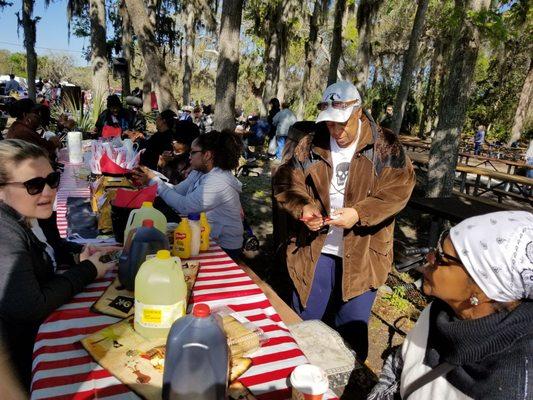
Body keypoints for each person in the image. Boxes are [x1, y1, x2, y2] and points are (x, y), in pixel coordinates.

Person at [273, 81, 415, 362]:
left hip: (364, 255)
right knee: (303, 323)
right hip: (315, 250)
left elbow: (399, 188)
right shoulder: (311, 143)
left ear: (359, 112)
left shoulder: (385, 146)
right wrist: (303, 208)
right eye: (330, 125)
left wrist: (359, 213)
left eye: (342, 124)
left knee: (350, 334)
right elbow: (287, 180)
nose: (336, 131)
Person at [368, 211, 533, 400]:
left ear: (482, 289)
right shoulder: (439, 311)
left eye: (442, 258)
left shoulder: (515, 383)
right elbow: (400, 363)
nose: (429, 258)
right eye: (436, 250)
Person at [0, 140, 117, 388]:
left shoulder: (37, 212)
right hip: (18, 356)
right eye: (33, 185)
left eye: (52, 180)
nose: (47, 191)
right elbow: (30, 307)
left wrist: (80, 253)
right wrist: (89, 270)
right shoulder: (4, 232)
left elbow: (54, 246)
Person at [133, 130, 244, 260]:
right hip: (205, 237)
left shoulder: (217, 181)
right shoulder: (200, 172)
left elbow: (184, 206)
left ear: (207, 155)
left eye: (193, 152)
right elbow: (176, 191)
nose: (189, 156)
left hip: (224, 248)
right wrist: (151, 179)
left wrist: (155, 181)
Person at [157, 120, 200, 184]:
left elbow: (176, 184)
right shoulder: (169, 154)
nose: (172, 142)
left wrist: (164, 166)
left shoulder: (192, 161)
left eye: (175, 139)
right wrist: (160, 164)